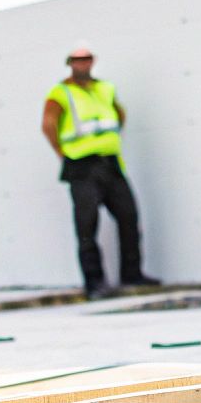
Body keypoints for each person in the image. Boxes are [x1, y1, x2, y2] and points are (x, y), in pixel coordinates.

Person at [40, 46, 157, 296]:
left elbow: (119, 114)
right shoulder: (60, 93)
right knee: (86, 226)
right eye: (77, 60)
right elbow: (48, 124)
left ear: (92, 62)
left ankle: (132, 275)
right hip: (81, 166)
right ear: (69, 63)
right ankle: (94, 283)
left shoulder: (105, 88)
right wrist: (63, 154)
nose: (82, 64)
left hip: (111, 163)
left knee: (129, 217)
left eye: (86, 59)